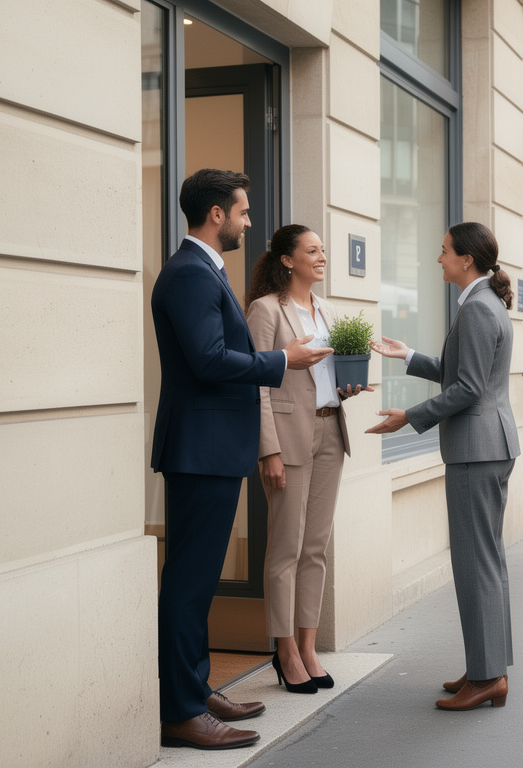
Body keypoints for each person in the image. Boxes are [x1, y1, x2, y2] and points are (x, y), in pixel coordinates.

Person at [150, 170, 331, 749]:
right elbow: (208, 360)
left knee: (199, 583)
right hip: (201, 450)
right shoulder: (188, 273)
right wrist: (282, 361)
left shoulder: (204, 270)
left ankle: (196, 690)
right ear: (216, 216)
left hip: (212, 449)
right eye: (244, 212)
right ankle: (181, 712)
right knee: (189, 583)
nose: (249, 222)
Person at [366, 222, 521, 710]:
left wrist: (408, 418)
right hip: (487, 446)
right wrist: (408, 355)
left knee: (476, 564)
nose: (439, 259)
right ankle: (486, 668)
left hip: (476, 449)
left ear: (467, 260)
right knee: (485, 561)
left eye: (444, 251)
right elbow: (465, 374)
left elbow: (468, 389)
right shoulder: (483, 304)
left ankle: (487, 675)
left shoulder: (476, 308)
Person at [245, 225, 368, 696]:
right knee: (286, 548)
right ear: (287, 260)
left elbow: (327, 375)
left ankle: (309, 645)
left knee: (316, 546)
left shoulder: (329, 310)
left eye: (323, 250)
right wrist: (268, 449)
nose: (322, 257)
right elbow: (255, 382)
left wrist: (347, 387)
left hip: (330, 428)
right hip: (288, 437)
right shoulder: (266, 310)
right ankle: (285, 650)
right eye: (312, 251)